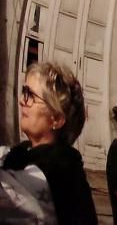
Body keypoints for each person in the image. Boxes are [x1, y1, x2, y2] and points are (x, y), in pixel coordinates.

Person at [0, 62, 97, 224]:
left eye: (30, 95)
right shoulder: (22, 152)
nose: (22, 101)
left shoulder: (57, 174)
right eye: (24, 92)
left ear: (57, 119)